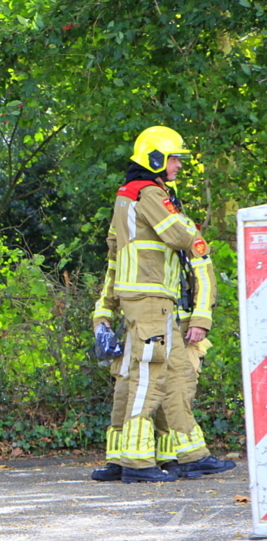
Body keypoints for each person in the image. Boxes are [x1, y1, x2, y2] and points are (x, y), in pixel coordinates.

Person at [94, 126, 233, 483]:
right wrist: (195, 235)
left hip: (140, 300)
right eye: (174, 159)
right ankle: (136, 463)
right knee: (150, 377)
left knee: (172, 376)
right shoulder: (149, 193)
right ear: (154, 158)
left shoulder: (126, 197)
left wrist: (105, 310)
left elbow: (114, 258)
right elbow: (179, 235)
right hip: (152, 300)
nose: (178, 167)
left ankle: (190, 456)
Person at [90, 228, 218, 480]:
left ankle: (175, 459)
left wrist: (200, 320)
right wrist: (102, 314)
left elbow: (204, 279)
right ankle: (129, 460)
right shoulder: (136, 240)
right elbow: (113, 276)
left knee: (176, 392)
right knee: (132, 391)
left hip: (180, 330)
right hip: (146, 327)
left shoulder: (184, 235)